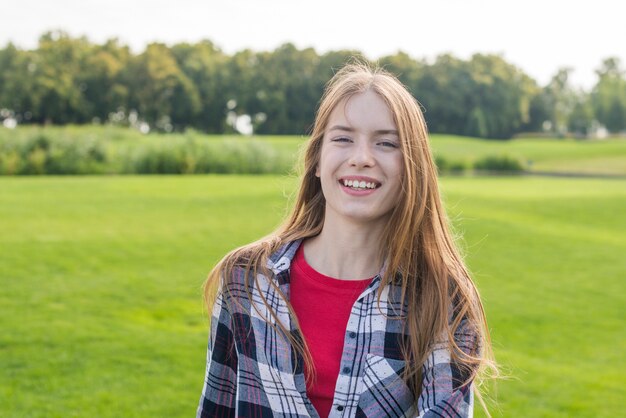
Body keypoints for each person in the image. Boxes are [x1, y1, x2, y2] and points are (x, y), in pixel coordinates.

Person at [197, 62, 496, 418]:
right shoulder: (246, 279)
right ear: (318, 161)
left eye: (386, 143)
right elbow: (215, 407)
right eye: (343, 138)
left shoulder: (440, 296)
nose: (361, 158)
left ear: (412, 170)